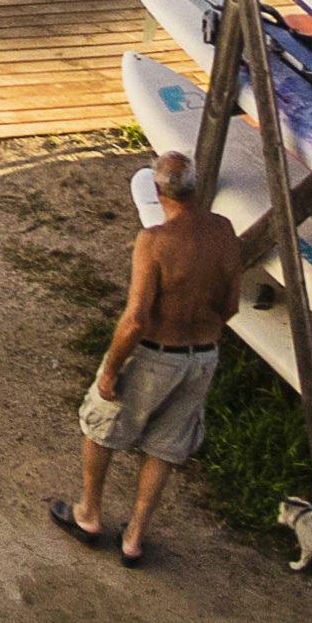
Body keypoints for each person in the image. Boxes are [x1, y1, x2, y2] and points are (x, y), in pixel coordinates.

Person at [67, 167, 250, 563]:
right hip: (202, 358)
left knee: (101, 426)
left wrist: (111, 370)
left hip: (154, 354)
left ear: (156, 192)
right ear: (195, 190)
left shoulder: (154, 241)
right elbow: (232, 306)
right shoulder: (224, 232)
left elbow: (135, 318)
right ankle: (133, 538)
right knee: (165, 447)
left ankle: (89, 514)